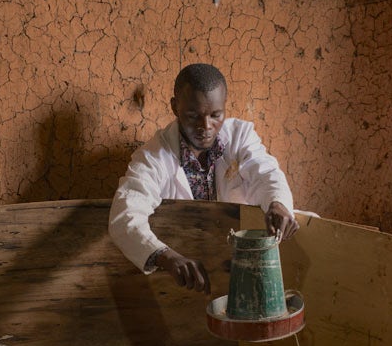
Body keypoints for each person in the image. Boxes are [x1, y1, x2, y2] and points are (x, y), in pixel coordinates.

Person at [108, 63, 299, 294]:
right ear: (175, 107)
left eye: (215, 115)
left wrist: (277, 204)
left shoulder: (240, 137)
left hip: (242, 263)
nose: (205, 126)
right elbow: (125, 216)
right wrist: (166, 257)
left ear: (224, 107)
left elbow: (266, 173)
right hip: (188, 274)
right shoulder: (153, 157)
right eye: (193, 116)